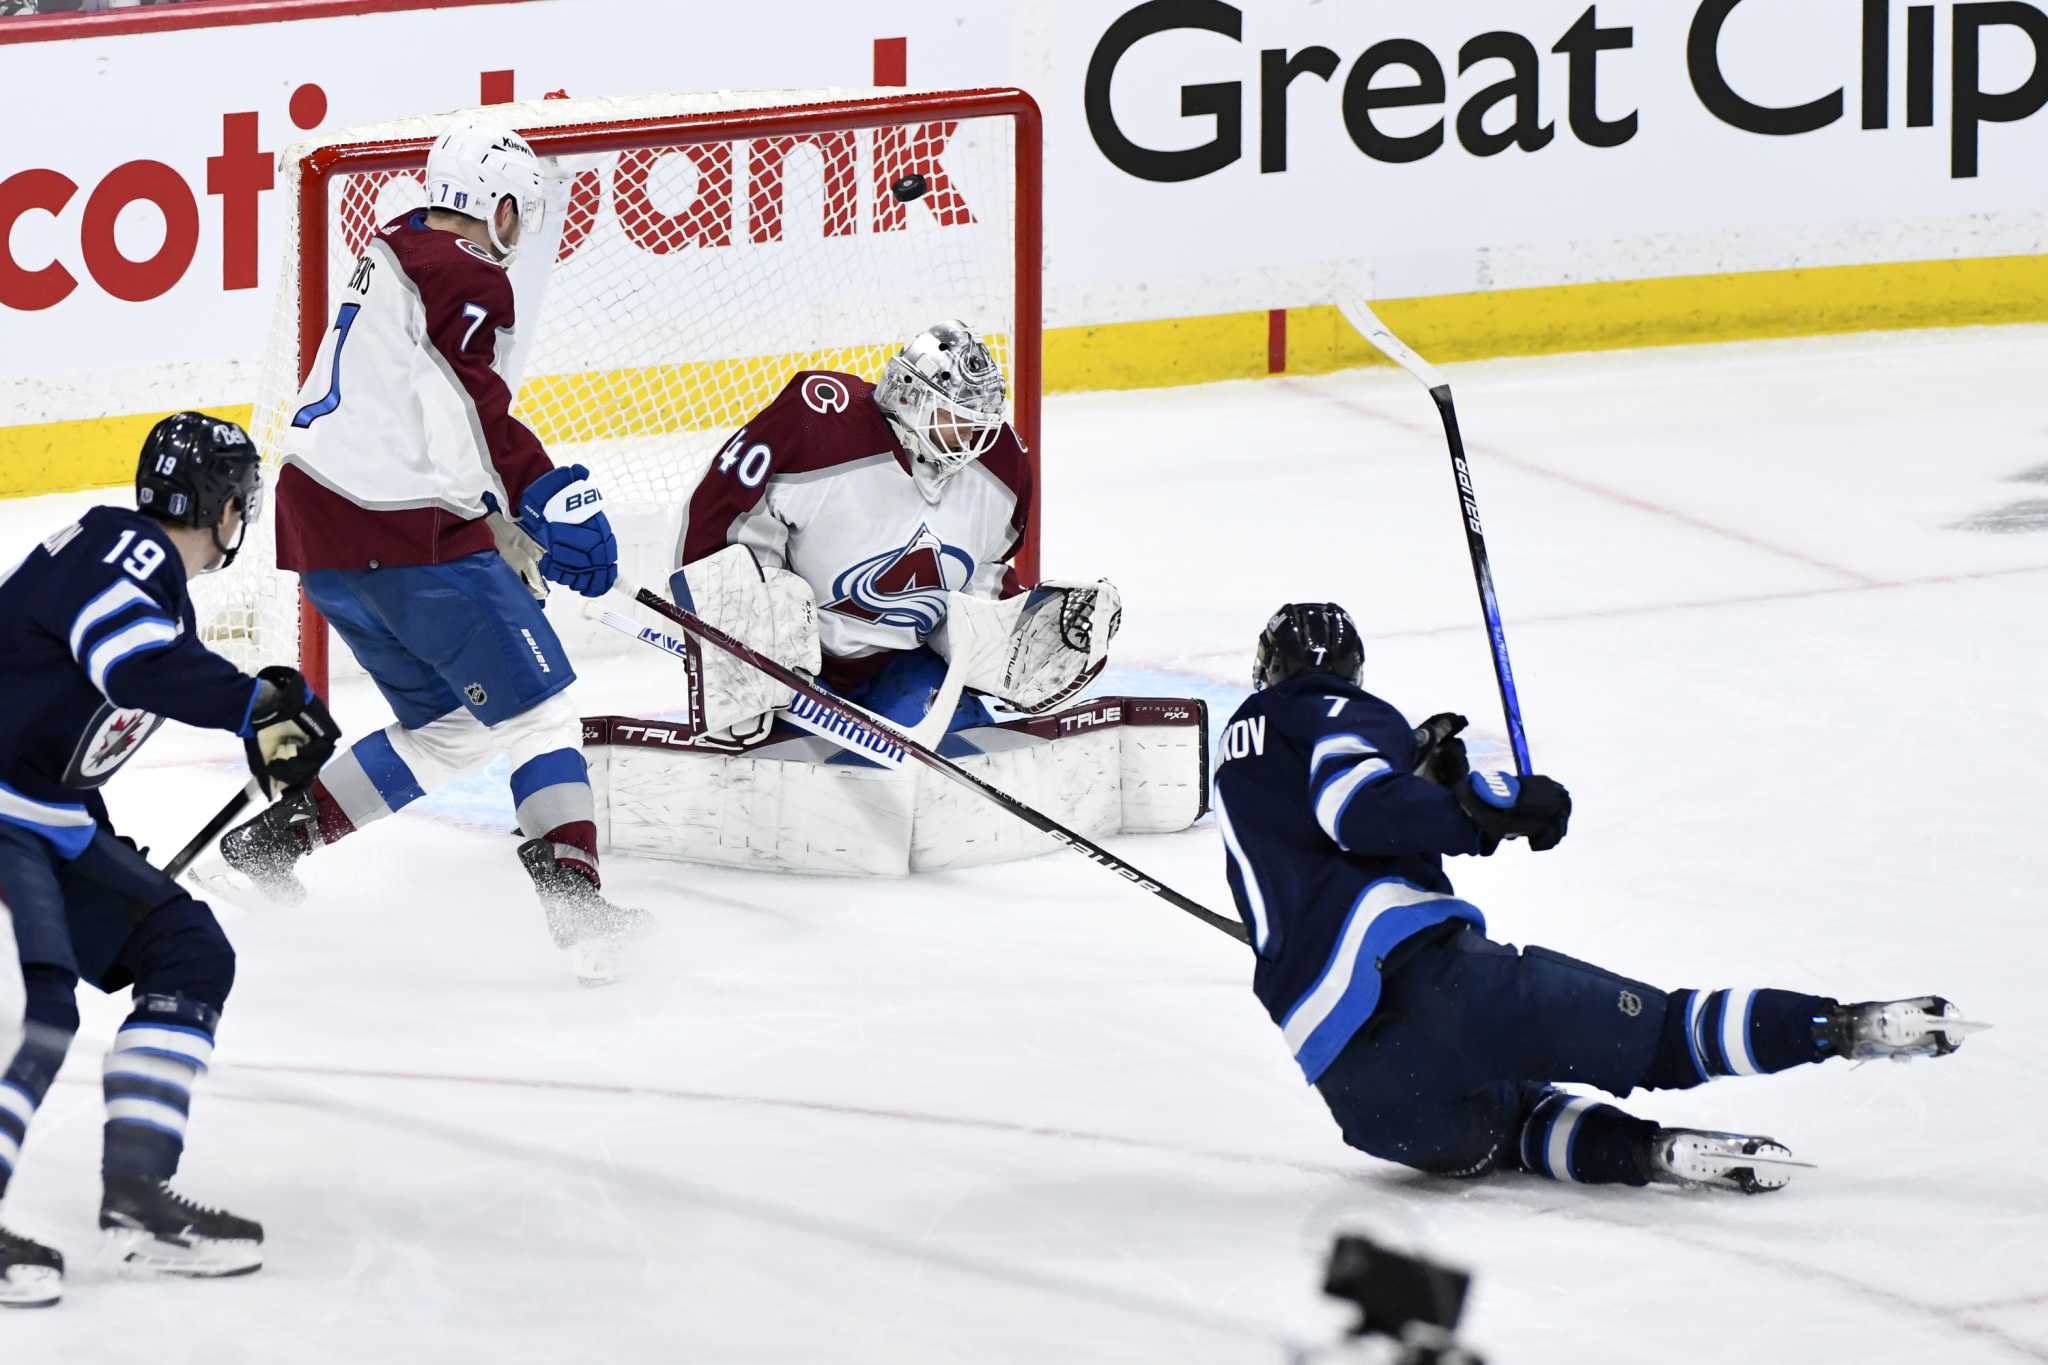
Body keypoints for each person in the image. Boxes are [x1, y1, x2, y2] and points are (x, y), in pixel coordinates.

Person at [1213, 602, 1981, 1192]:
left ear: (1266, 664)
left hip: (1362, 1094)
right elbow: (1354, 808)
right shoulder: (1328, 709)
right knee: (1665, 1035)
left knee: (1513, 1122)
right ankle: (1841, 1028)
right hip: (1423, 987)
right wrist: (1480, 810)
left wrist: (1429, 786)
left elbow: (1341, 839)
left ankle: (1648, 1152)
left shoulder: (1242, 768)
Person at [214, 123, 638, 984]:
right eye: (522, 215)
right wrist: (538, 490)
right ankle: (579, 908)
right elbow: (471, 400)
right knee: (541, 714)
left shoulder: (401, 247)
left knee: (449, 728)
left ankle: (275, 841)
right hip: (402, 528)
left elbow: (420, 408)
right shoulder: (465, 273)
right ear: (501, 207)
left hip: (322, 532)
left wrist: (497, 518)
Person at [0, 412, 340, 1304]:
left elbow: (59, 712)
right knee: (39, 1009)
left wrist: (261, 708)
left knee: (185, 949)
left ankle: (138, 1198)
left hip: (47, 817)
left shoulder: (137, 570)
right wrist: (251, 704)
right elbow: (127, 662)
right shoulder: (130, 552)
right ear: (226, 509)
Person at [671, 320, 1121, 742]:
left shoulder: (1002, 467)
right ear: (910, 397)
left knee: (961, 748)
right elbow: (721, 530)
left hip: (905, 664)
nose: (971, 438)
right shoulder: (817, 426)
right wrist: (741, 657)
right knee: (789, 766)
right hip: (797, 671)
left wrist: (1008, 636)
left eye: (978, 423)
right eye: (955, 419)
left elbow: (980, 578)